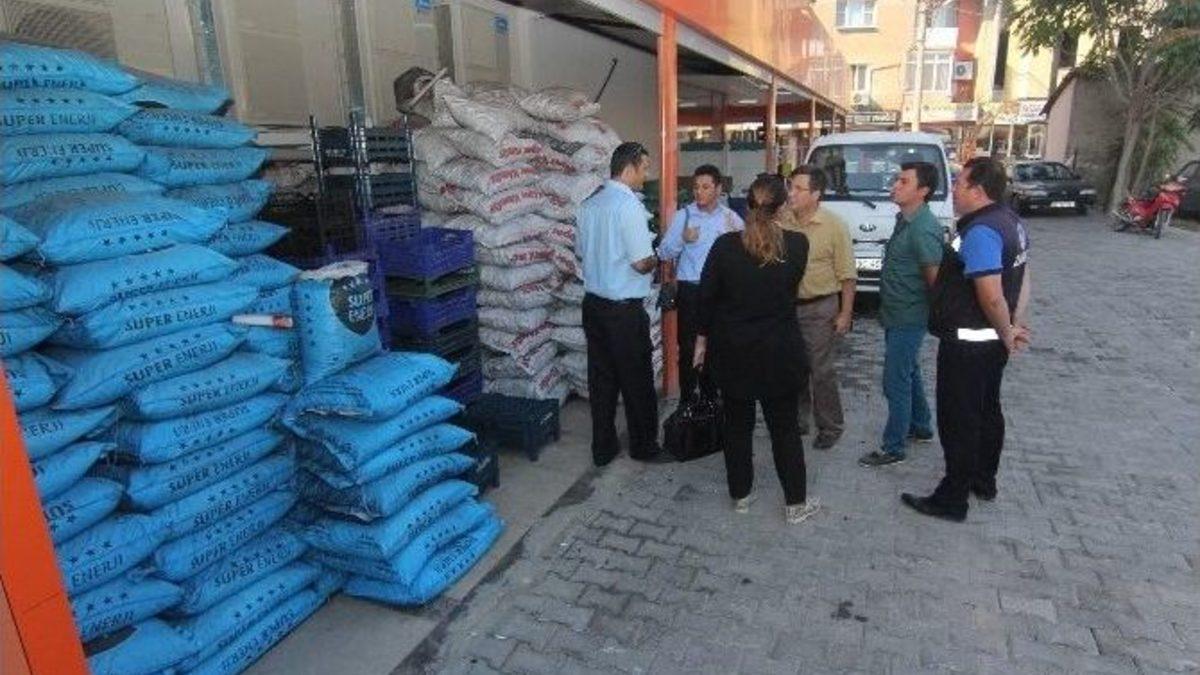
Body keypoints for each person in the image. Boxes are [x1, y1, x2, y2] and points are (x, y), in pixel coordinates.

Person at [901, 156, 1032, 522]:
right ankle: (983, 480)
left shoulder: (982, 231)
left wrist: (1008, 332)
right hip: (990, 344)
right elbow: (1024, 275)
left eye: (959, 183)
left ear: (978, 190)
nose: (954, 190)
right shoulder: (1010, 221)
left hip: (969, 345)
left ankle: (952, 498)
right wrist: (1013, 325)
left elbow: (990, 295)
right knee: (988, 411)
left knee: (960, 418)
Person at [693, 175, 820, 525]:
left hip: (734, 351)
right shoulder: (798, 245)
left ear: (747, 205)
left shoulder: (725, 246)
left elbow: (706, 297)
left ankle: (741, 496)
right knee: (785, 429)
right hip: (780, 352)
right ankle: (795, 504)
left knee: (737, 426)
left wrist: (701, 340)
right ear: (782, 207)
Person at [576, 142, 670, 467]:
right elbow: (641, 263)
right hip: (623, 312)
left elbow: (581, 252)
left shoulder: (589, 204)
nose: (646, 175)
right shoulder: (628, 205)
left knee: (601, 381)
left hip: (594, 306)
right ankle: (644, 447)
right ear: (629, 167)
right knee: (637, 381)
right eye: (644, 168)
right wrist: (658, 255)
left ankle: (603, 449)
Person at [859, 162, 945, 468]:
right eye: (897, 179)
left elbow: (936, 280)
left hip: (910, 315)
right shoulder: (906, 220)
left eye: (904, 181)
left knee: (894, 380)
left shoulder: (923, 228)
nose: (895, 185)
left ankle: (893, 447)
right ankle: (920, 426)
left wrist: (933, 315)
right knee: (909, 371)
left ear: (923, 191)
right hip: (896, 312)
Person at [780, 165, 857, 450]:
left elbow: (847, 275)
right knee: (793, 366)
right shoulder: (783, 221)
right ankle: (799, 419)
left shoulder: (834, 225)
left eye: (799, 189)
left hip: (820, 308)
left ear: (816, 194)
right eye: (791, 187)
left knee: (820, 370)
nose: (792, 193)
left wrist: (845, 313)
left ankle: (830, 426)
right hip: (788, 307)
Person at [656, 165, 744, 401]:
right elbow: (664, 253)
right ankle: (688, 401)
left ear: (718, 189)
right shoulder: (683, 216)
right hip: (691, 292)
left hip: (720, 295)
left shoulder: (731, 219)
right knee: (688, 349)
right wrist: (682, 239)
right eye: (696, 187)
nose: (699, 192)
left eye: (705, 187)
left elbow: (746, 256)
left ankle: (711, 401)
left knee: (716, 348)